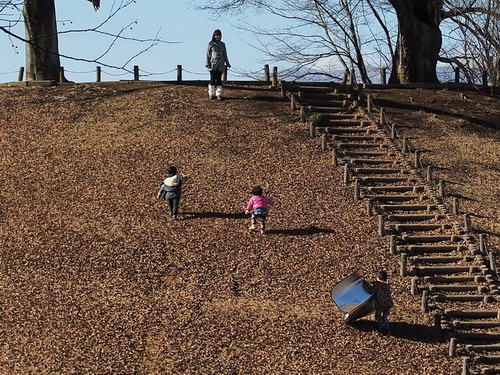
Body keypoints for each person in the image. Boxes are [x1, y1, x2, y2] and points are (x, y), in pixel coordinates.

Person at [364, 270, 394, 336]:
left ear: (378, 278)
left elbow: (370, 290)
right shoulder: (387, 285)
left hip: (381, 303)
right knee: (385, 317)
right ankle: (387, 328)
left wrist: (364, 283)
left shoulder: (377, 285)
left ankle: (382, 326)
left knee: (378, 315)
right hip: (389, 304)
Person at [205, 29, 231, 100]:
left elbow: (225, 55)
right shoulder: (210, 44)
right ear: (214, 35)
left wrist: (227, 63)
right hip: (213, 64)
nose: (218, 37)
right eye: (216, 35)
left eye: (219, 35)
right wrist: (207, 63)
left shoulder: (222, 44)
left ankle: (219, 94)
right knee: (212, 79)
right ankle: (211, 94)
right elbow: (207, 55)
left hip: (221, 65)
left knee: (219, 80)